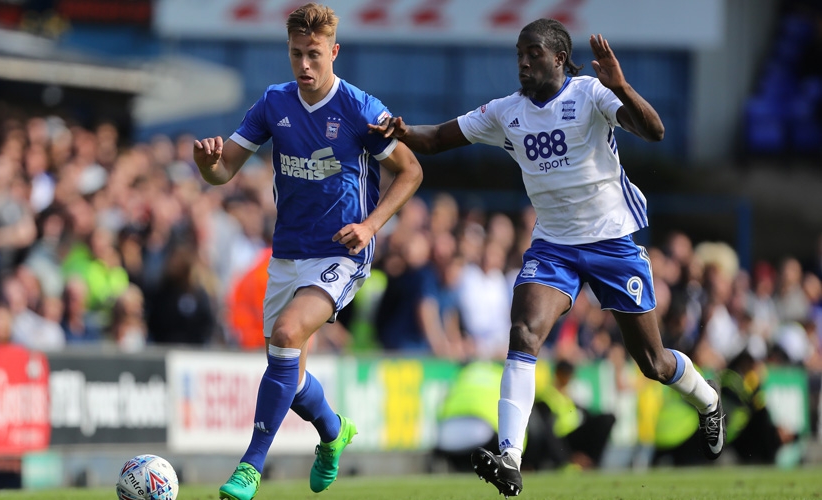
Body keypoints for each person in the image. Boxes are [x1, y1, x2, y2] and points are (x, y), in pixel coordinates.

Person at [369, 18, 724, 497]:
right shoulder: (504, 112)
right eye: (519, 53)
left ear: (558, 58)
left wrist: (621, 87)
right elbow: (434, 141)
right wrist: (403, 129)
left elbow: (655, 131)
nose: (523, 61)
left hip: (613, 242)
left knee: (653, 363)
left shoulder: (591, 94)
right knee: (523, 332)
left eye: (533, 52)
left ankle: (708, 403)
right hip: (554, 245)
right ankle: (511, 458)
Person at [193, 4, 423, 500]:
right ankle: (334, 430)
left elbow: (411, 171)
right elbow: (223, 172)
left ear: (333, 51)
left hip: (341, 251)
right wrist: (205, 163)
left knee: (287, 332)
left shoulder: (360, 108)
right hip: (288, 253)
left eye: (314, 55)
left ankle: (249, 468)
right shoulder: (274, 103)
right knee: (289, 376)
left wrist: (370, 224)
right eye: (297, 54)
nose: (304, 65)